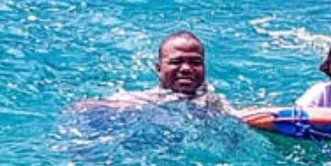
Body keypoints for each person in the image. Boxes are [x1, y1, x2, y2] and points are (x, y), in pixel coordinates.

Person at [71, 31, 232, 113]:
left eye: (195, 62)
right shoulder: (143, 99)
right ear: (159, 69)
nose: (186, 69)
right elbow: (81, 107)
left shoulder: (213, 101)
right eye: (176, 62)